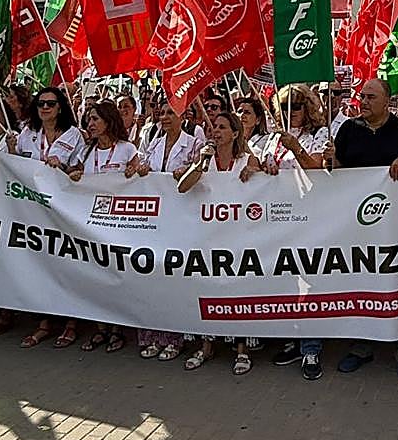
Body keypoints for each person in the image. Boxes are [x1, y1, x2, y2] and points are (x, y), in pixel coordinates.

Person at [328, 79, 398, 381]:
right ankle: (362, 345)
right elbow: (338, 170)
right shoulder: (348, 129)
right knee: (361, 281)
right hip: (356, 224)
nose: (363, 100)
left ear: (387, 100)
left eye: (371, 96)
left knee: (393, 280)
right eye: (362, 96)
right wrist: (329, 159)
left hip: (394, 225)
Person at [176, 111, 264, 374]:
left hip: (240, 238)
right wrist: (200, 163)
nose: (216, 131)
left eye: (223, 127)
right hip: (209, 237)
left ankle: (242, 350)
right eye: (215, 126)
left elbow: (264, 186)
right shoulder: (204, 159)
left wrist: (255, 171)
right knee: (208, 290)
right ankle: (206, 346)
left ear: (235, 133)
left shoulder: (247, 159)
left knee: (239, 292)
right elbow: (183, 187)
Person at [8, 87, 85, 349]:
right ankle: (44, 323)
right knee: (41, 266)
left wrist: (63, 168)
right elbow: (15, 166)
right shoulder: (28, 134)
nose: (45, 108)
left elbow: (81, 170)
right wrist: (8, 150)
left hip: (65, 212)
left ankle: (71, 323)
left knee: (66, 267)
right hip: (33, 212)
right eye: (41, 104)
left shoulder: (74, 135)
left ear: (60, 107)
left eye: (51, 104)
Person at [69, 101, 140, 355]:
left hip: (119, 225)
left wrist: (136, 171)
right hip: (90, 225)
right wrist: (74, 174)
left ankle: (118, 330)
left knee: (116, 278)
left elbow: (142, 177)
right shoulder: (86, 152)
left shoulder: (127, 149)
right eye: (88, 119)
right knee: (94, 278)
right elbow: (72, 174)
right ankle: (101, 329)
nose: (90, 124)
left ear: (108, 122)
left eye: (95, 119)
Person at [135, 101, 202, 362]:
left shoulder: (194, 142)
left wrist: (188, 170)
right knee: (151, 277)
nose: (164, 117)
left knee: (174, 278)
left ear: (182, 115)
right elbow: (143, 163)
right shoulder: (154, 141)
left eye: (170, 112)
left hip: (180, 219)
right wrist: (140, 168)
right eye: (161, 112)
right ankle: (152, 335)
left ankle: (176, 338)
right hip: (153, 221)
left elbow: (200, 171)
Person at [264, 85, 328, 172]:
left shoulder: (320, 132)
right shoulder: (275, 135)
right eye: (285, 107)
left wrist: (296, 148)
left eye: (296, 106)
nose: (290, 111)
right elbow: (263, 165)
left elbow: (316, 171)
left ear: (307, 107)